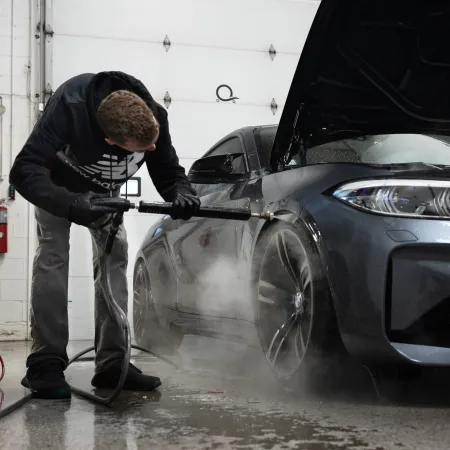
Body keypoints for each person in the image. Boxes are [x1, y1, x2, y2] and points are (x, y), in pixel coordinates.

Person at [9, 71, 201, 399]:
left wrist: (181, 192)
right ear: (110, 141)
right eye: (143, 148)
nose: (152, 148)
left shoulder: (153, 115)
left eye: (153, 142)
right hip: (57, 188)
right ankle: (46, 362)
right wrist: (70, 204)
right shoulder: (69, 106)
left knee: (115, 258)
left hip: (104, 193)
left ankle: (113, 364)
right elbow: (23, 171)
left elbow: (169, 170)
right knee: (53, 257)